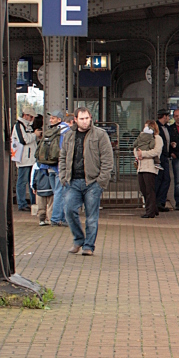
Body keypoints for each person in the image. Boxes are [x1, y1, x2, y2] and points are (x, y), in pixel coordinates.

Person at [58, 107, 113, 256]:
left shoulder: (100, 135)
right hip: (72, 181)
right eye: (81, 119)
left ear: (91, 118)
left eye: (87, 118)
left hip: (92, 182)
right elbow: (62, 157)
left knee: (91, 217)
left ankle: (88, 246)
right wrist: (63, 176)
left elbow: (108, 159)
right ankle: (78, 239)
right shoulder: (69, 136)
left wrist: (101, 181)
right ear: (75, 119)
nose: (85, 121)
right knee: (69, 210)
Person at [43, 110, 70, 226]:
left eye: (53, 118)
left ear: (59, 119)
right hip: (60, 167)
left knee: (57, 192)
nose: (51, 120)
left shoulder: (51, 131)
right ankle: (57, 218)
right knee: (61, 193)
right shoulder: (66, 131)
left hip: (50, 166)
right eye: (51, 118)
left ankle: (61, 218)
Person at [12, 105, 41, 211]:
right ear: (26, 116)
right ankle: (22, 203)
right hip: (23, 158)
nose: (33, 119)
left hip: (30, 158)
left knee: (31, 181)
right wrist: (35, 135)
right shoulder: (19, 125)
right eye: (31, 117)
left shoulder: (27, 126)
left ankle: (33, 202)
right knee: (22, 181)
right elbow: (23, 140)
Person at [134, 120, 163, 218]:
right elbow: (136, 147)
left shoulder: (157, 138)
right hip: (141, 166)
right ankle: (153, 208)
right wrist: (138, 155)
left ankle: (150, 211)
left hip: (150, 166)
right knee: (143, 189)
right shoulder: (141, 138)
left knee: (149, 189)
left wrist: (144, 154)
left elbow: (156, 151)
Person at [155, 109, 173, 212]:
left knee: (166, 179)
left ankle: (161, 201)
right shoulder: (156, 127)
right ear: (164, 116)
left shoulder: (167, 128)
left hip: (165, 156)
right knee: (159, 179)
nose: (169, 118)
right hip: (159, 157)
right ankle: (157, 202)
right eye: (168, 116)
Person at [30, 160, 54, 226]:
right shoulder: (52, 163)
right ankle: (50, 219)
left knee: (41, 206)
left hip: (40, 189)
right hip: (50, 188)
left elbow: (32, 177)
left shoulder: (36, 165)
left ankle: (42, 220)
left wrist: (33, 187)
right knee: (51, 206)